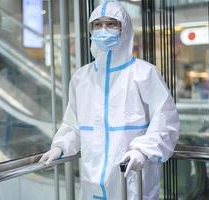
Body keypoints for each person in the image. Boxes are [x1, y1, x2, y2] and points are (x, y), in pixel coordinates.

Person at [40, 1, 179, 199]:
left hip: (132, 179)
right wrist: (60, 146)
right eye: (97, 25)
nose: (103, 30)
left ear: (124, 28)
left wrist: (143, 150)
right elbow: (73, 124)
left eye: (111, 24)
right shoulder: (82, 78)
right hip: (92, 181)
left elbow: (165, 122)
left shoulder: (144, 73)